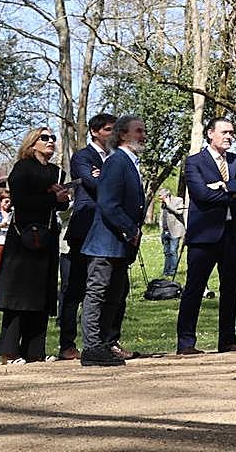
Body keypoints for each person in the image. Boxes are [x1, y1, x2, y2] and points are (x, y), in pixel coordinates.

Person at [176, 117, 236, 355]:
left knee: (231, 288)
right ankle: (186, 343)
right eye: (224, 132)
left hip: (232, 236)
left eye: (231, 133)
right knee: (194, 289)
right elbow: (201, 195)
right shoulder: (194, 162)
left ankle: (227, 341)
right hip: (204, 237)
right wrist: (234, 188)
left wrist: (222, 186)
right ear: (210, 133)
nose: (229, 136)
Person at [0, 127, 70, 363]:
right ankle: (10, 351)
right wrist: (51, 198)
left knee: (42, 293)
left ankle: (34, 350)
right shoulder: (22, 167)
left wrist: (62, 198)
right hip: (23, 238)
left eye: (53, 138)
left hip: (46, 236)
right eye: (44, 138)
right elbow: (20, 200)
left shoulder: (58, 172)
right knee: (19, 295)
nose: (50, 142)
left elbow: (59, 206)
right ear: (32, 143)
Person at [80, 115, 146, 367]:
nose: (143, 136)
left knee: (115, 295)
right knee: (98, 292)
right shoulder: (117, 161)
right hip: (106, 241)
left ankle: (105, 344)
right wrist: (131, 230)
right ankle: (92, 348)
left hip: (119, 243)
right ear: (122, 135)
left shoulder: (129, 162)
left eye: (143, 131)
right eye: (138, 131)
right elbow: (108, 202)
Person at [57, 112, 115, 361]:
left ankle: (107, 342)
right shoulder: (83, 156)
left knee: (110, 289)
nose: (113, 134)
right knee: (75, 288)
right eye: (109, 130)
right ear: (95, 131)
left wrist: (104, 177)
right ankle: (67, 344)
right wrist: (107, 180)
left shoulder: (115, 158)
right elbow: (93, 186)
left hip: (109, 230)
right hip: (85, 229)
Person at [158, 188, 185, 278]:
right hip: (165, 231)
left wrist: (168, 204)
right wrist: (160, 228)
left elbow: (179, 211)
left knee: (173, 251)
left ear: (166, 195)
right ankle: (166, 271)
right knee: (166, 252)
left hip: (175, 230)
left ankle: (172, 271)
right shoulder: (162, 204)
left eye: (160, 196)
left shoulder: (178, 200)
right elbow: (162, 216)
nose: (159, 198)